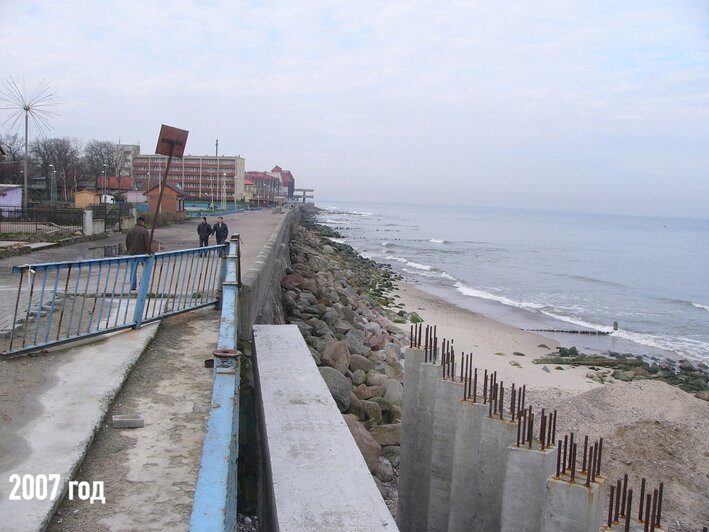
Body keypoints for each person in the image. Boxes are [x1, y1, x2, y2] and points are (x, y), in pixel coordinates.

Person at [125, 216, 151, 290]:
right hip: (142, 253)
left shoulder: (130, 230)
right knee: (146, 269)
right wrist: (149, 251)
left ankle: (133, 286)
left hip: (132, 253)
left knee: (133, 270)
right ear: (142, 222)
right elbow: (147, 243)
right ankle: (142, 283)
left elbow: (127, 242)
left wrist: (129, 250)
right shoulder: (144, 231)